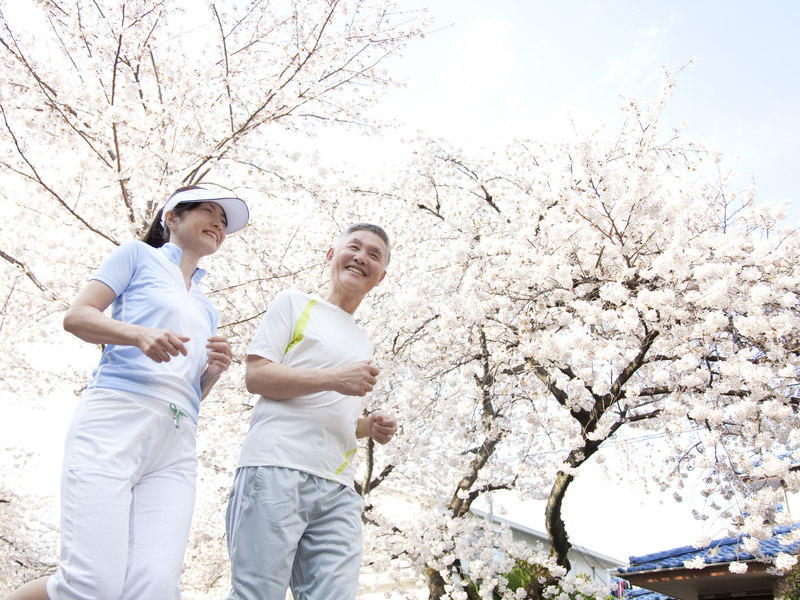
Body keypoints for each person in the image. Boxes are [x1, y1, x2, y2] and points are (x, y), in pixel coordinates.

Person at [2, 186, 249, 600]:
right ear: (172, 217)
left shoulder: (207, 306)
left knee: (154, 587)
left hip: (175, 443)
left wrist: (212, 374)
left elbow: (185, 392)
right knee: (90, 584)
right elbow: (77, 317)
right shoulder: (138, 256)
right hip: (115, 419)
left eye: (224, 223)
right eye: (209, 212)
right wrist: (138, 335)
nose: (219, 225)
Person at [224, 223, 398, 600]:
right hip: (276, 468)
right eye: (354, 247)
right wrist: (335, 378)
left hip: (337, 486)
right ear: (330, 255)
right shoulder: (293, 303)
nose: (361, 257)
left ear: (380, 277)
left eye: (374, 255)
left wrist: (369, 426)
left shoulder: (363, 341)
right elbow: (257, 376)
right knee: (257, 594)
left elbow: (331, 411)